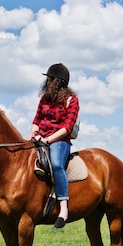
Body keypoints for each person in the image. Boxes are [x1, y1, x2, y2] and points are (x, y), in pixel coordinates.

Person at [29, 63, 80, 229]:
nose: (47, 82)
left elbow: (67, 128)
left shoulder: (72, 101)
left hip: (59, 140)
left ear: (58, 82)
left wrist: (48, 140)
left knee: (57, 164)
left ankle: (63, 208)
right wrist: (33, 133)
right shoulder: (44, 99)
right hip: (40, 138)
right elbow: (36, 120)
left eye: (50, 79)